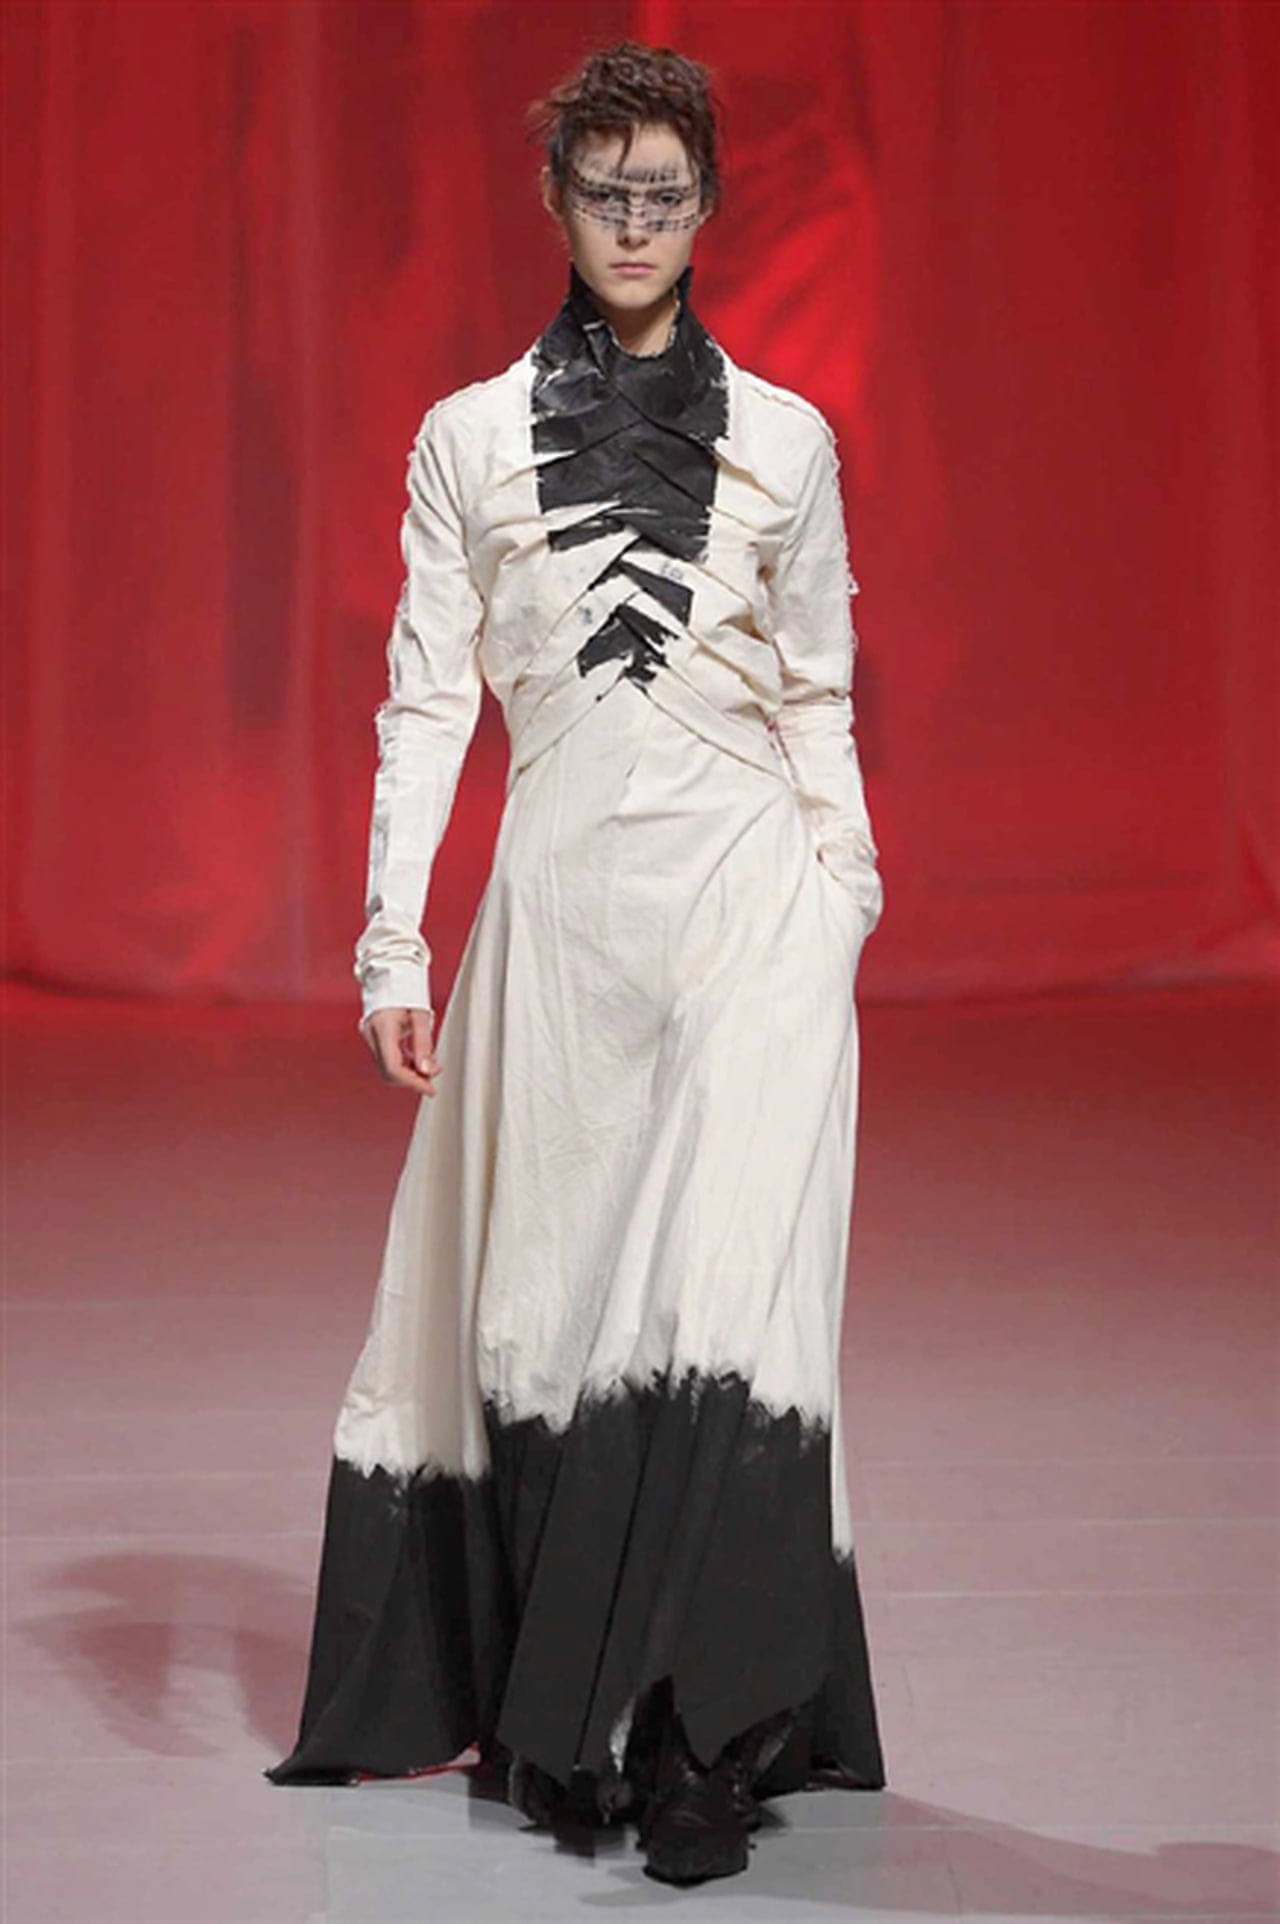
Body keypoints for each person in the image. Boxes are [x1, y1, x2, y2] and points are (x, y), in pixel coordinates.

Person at [265, 39, 887, 1888]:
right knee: (555, 1311)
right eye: (603, 191)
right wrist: (393, 939)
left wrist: (845, 889)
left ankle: (704, 1741)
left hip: (752, 908)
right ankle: (579, 1715)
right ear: (554, 202)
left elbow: (819, 686)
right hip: (561, 928)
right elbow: (424, 703)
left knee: (729, 1304)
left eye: (663, 194)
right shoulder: (464, 440)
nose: (634, 223)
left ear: (707, 207)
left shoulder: (789, 441)